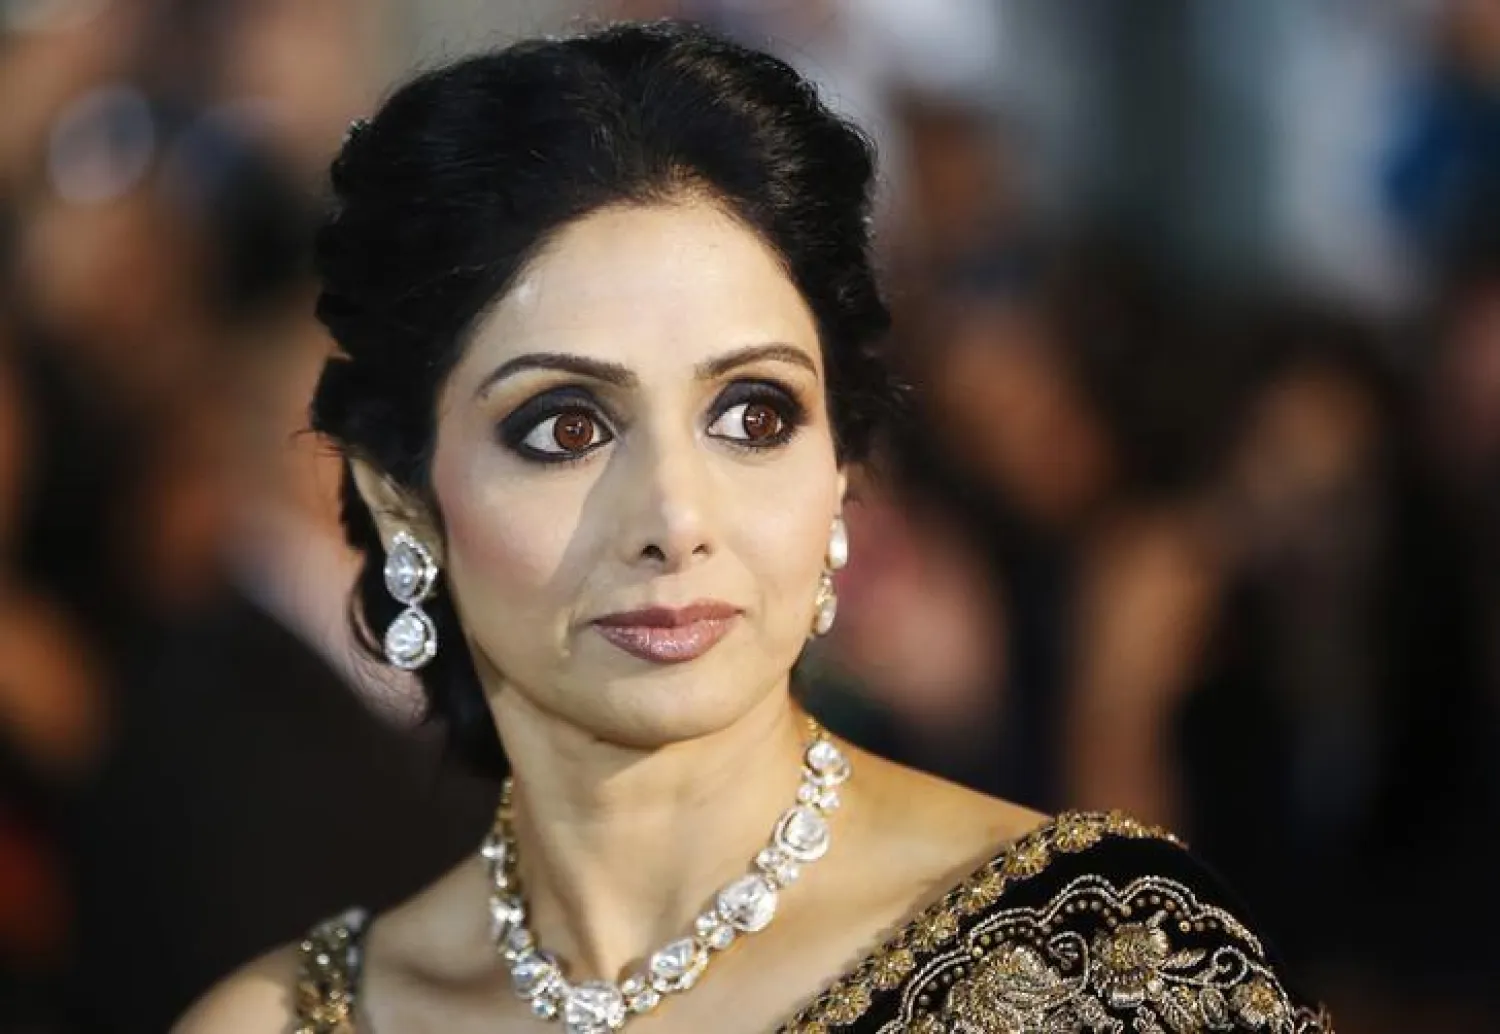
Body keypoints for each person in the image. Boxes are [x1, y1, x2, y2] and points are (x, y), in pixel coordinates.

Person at [175, 22, 1331, 1033]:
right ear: (401, 496)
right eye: (567, 426)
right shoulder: (288, 1020)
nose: (677, 519)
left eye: (753, 414)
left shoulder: (1098, 966)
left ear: (842, 470)